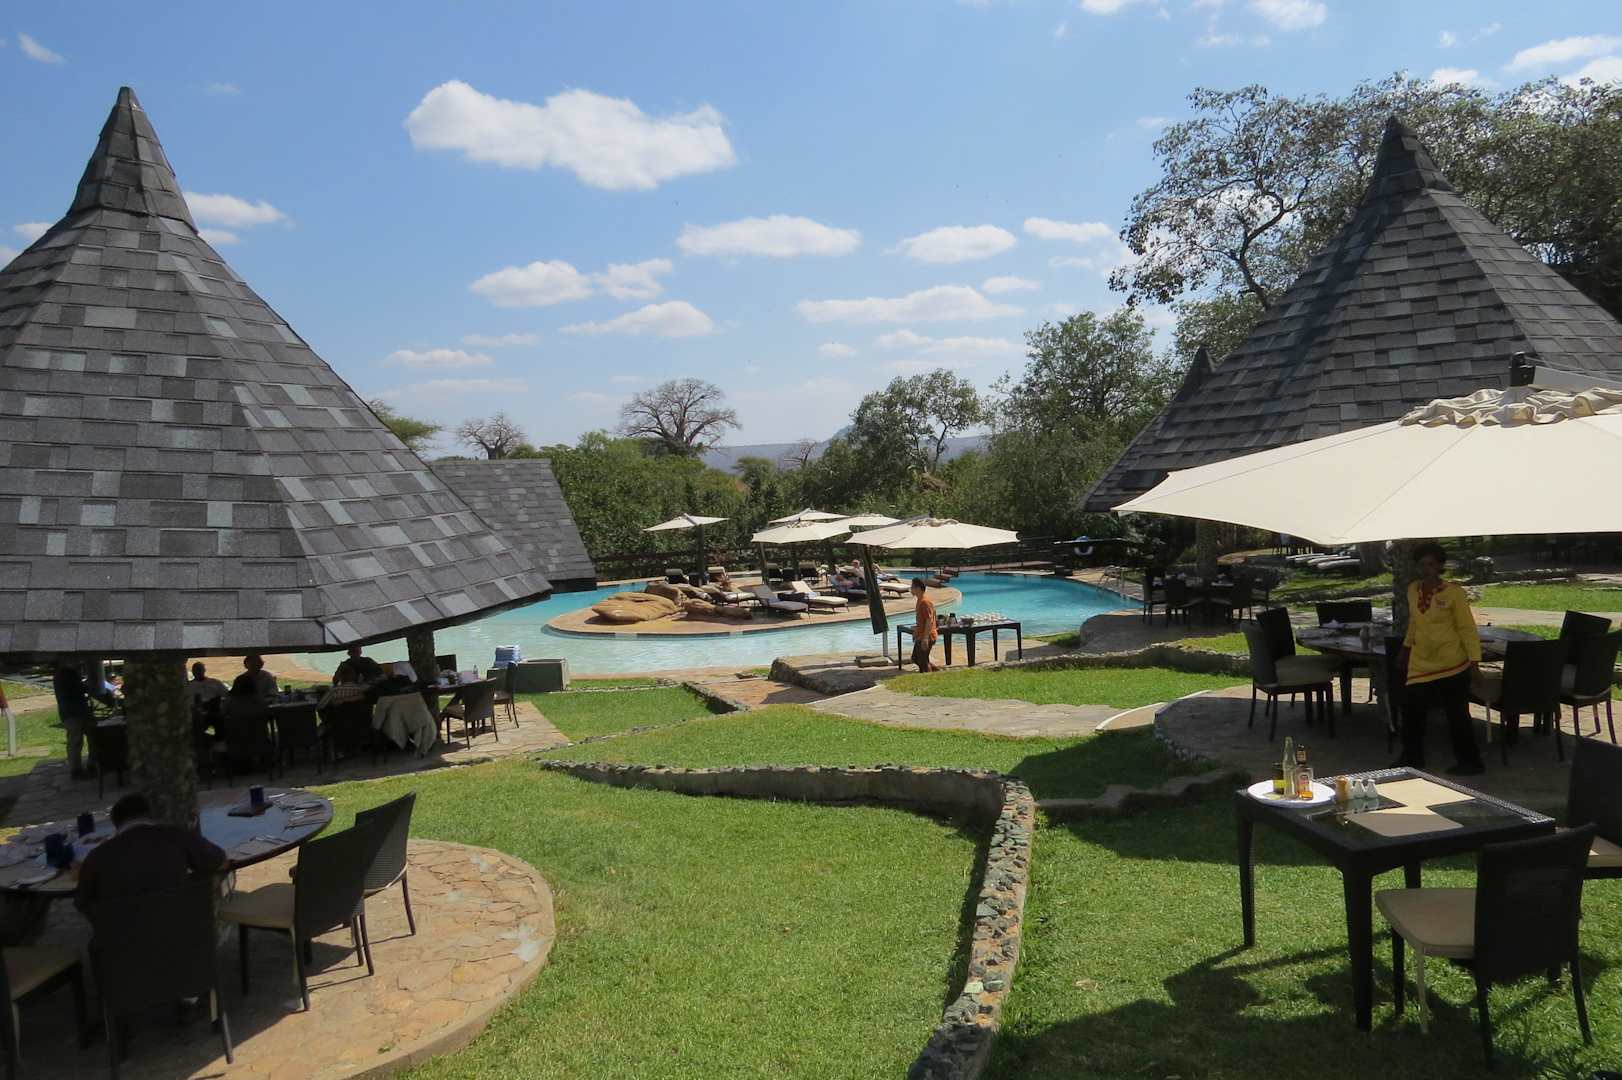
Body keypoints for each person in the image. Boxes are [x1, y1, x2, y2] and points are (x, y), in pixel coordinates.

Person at [1395, 542, 1485, 776]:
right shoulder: (1413, 589)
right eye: (1421, 565)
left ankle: (1470, 762)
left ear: (1440, 566)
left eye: (1431, 564)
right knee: (1411, 710)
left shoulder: (1454, 593)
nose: (1426, 569)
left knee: (1457, 715)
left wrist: (1474, 663)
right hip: (1421, 662)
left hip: (1452, 662)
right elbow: (1415, 622)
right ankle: (1412, 758)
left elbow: (1467, 628)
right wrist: (1405, 649)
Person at [74, 792, 227, 915]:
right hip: (183, 934)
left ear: (116, 823)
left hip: (121, 941)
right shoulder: (176, 836)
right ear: (151, 816)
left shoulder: (98, 856)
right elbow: (219, 860)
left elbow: (83, 903)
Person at [52, 662, 93, 779]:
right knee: (75, 741)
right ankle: (76, 770)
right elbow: (79, 689)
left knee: (86, 738)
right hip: (73, 713)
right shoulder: (66, 674)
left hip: (73, 712)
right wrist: (88, 684)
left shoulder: (63, 673)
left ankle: (90, 764)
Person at [910, 578, 942, 674]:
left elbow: (929, 621)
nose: (911, 589)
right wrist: (916, 631)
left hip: (927, 636)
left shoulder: (925, 602)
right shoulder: (919, 601)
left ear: (918, 588)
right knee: (915, 658)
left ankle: (928, 676)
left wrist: (925, 638)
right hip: (920, 635)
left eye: (912, 587)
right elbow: (922, 621)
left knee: (922, 662)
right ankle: (936, 671)